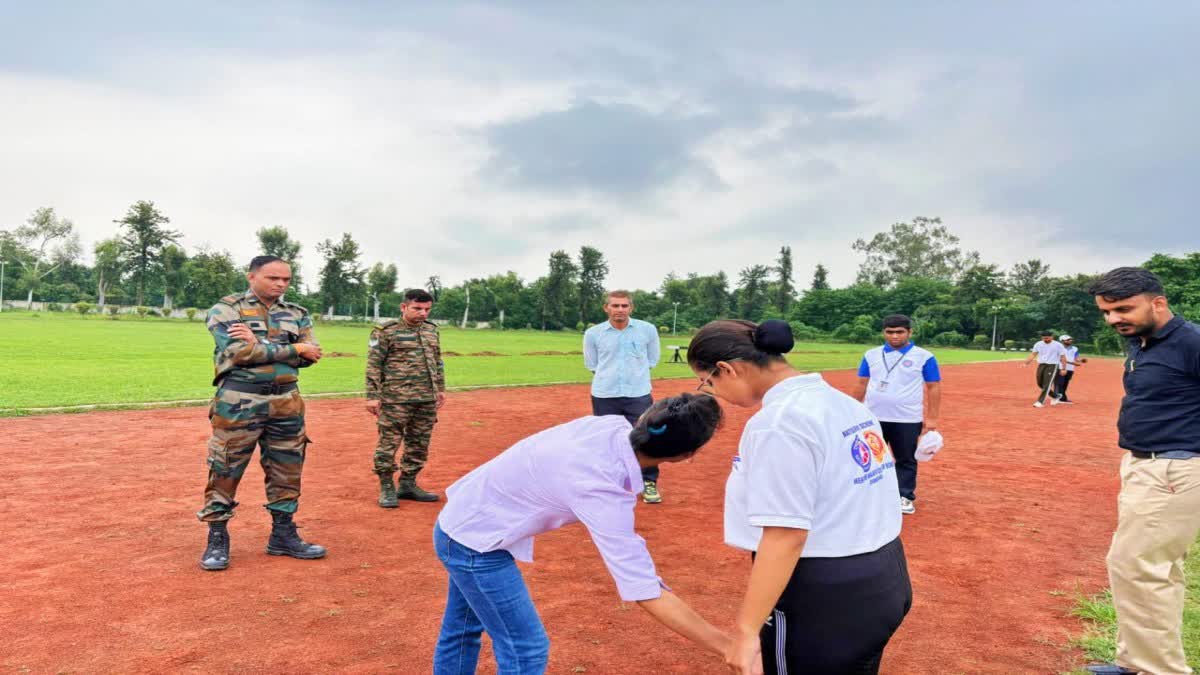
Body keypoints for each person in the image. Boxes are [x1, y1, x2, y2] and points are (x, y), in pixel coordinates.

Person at [432, 394, 731, 674]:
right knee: (527, 649)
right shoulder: (600, 489)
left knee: (462, 629)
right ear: (684, 455)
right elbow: (645, 589)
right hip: (473, 544)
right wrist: (727, 646)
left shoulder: (607, 426)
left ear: (644, 419)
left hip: (462, 520)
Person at [689, 319, 911, 674]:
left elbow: (787, 534)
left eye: (708, 382)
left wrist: (747, 631)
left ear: (728, 369)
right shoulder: (843, 403)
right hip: (885, 576)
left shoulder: (779, 423)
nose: (713, 391)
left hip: (823, 594)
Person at [1083, 268, 1200, 675]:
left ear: (1158, 302)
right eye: (1106, 312)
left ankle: (1158, 671)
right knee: (1150, 568)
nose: (1113, 319)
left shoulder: (1191, 343)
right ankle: (1139, 662)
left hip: (1174, 468)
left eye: (1122, 309)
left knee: (1138, 566)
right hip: (1145, 464)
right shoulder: (1142, 342)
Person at [197, 255, 326, 571]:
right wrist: (294, 349)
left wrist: (263, 347)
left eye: (286, 279)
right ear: (251, 276)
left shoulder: (297, 313)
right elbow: (240, 352)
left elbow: (314, 355)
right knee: (226, 467)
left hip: (287, 402)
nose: (281, 284)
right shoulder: (227, 309)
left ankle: (283, 534)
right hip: (239, 402)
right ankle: (217, 538)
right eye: (273, 278)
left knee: (287, 468)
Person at [851, 314, 942, 515]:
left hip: (907, 418)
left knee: (905, 459)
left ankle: (905, 496)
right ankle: (870, 495)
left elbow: (933, 387)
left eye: (899, 332)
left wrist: (932, 418)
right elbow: (861, 384)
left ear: (909, 332)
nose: (894, 336)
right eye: (889, 332)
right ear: (883, 332)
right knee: (870, 458)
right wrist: (851, 409)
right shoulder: (871, 355)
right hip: (872, 417)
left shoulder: (924, 357)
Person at [365, 288, 446, 506]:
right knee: (389, 442)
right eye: (417, 308)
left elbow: (437, 361)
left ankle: (408, 483)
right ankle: (387, 486)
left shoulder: (431, 331)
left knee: (419, 443)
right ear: (404, 307)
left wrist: (439, 389)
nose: (423, 313)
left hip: (425, 398)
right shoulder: (385, 332)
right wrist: (372, 396)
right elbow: (374, 365)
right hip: (395, 398)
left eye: (427, 309)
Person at [583, 290, 663, 503]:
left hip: (638, 393)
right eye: (615, 306)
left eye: (624, 306)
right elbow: (592, 364)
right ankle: (610, 483)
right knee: (606, 439)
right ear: (606, 308)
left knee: (646, 436)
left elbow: (652, 360)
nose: (620, 310)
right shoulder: (593, 334)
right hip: (604, 394)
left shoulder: (647, 330)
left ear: (631, 308)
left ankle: (648, 482)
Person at [1023, 331, 1068, 407]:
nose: (1045, 339)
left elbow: (1063, 357)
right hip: (1041, 365)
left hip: (1052, 366)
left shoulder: (1058, 345)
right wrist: (1026, 362)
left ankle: (1040, 402)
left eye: (1047, 338)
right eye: (1044, 338)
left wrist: (1063, 368)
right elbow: (1033, 354)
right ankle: (1055, 396)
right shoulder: (1038, 344)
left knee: (1047, 384)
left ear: (1052, 337)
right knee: (1040, 383)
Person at [1053, 334, 1087, 404]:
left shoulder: (1075, 348)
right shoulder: (1057, 348)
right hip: (1060, 367)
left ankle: (1060, 398)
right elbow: (1059, 359)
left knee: (1065, 384)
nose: (1070, 340)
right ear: (1062, 341)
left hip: (1070, 369)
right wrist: (1073, 363)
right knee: (1060, 383)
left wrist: (1081, 360)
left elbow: (1076, 358)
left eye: (1070, 339)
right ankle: (1061, 398)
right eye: (1068, 340)